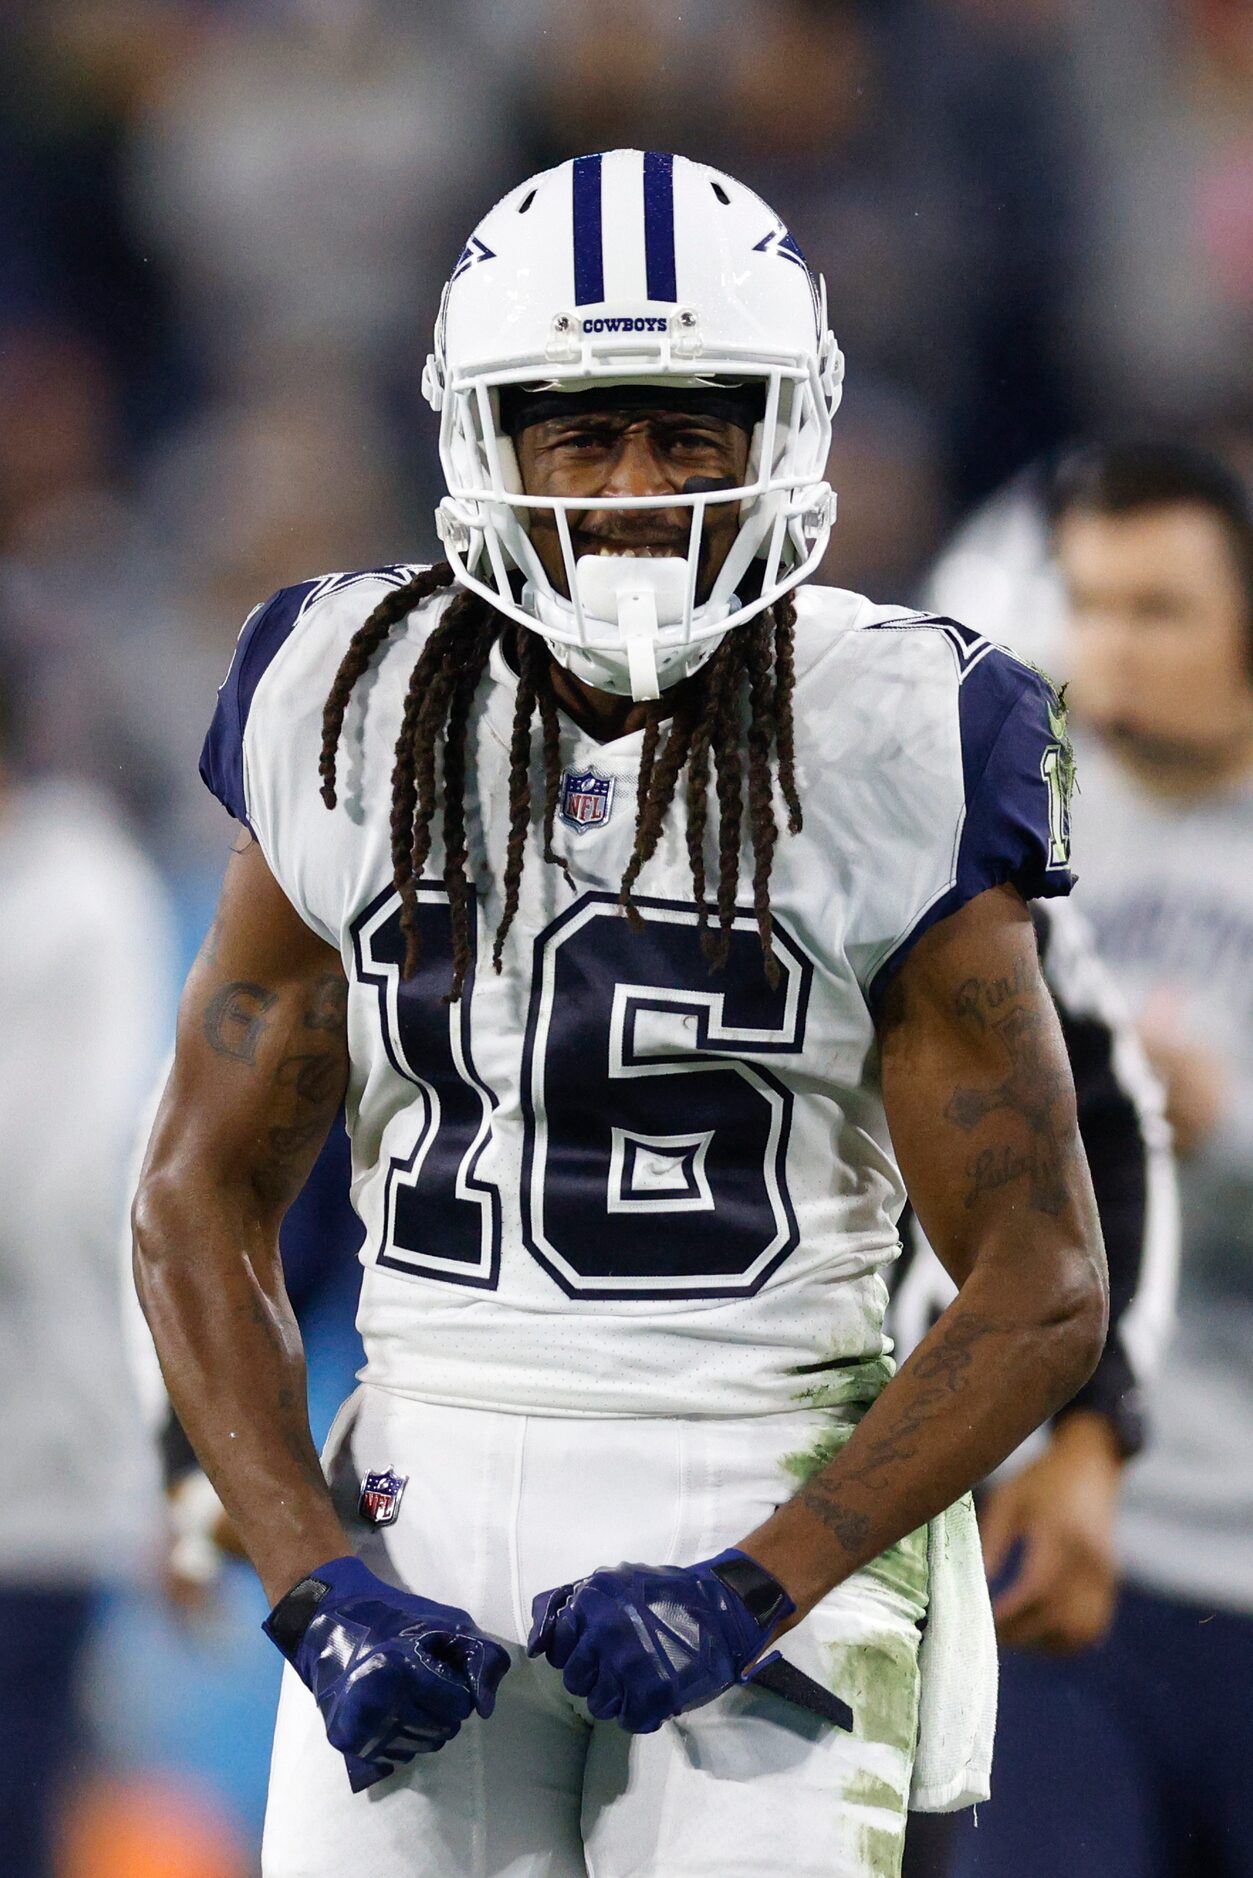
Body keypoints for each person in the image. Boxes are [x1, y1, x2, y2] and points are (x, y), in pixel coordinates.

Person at [133, 150, 1107, 1878]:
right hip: (416, 1505)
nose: (636, 490)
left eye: (689, 432)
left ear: (782, 434)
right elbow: (194, 1197)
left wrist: (758, 1580)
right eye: (579, 434)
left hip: (773, 1497)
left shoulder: (892, 724)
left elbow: (1039, 1281)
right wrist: (317, 1591)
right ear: (482, 441)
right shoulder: (340, 700)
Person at [944, 438, 1253, 1878]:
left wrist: (1221, 1132)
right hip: (1065, 1532)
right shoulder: (1016, 827)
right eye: (1090, 604)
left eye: (1159, 611)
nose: (1110, 650)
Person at [0, 651, 173, 1878]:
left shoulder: (77, 893)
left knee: (21, 1788)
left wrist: (142, 1447)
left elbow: (59, 1186)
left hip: (33, 1464)